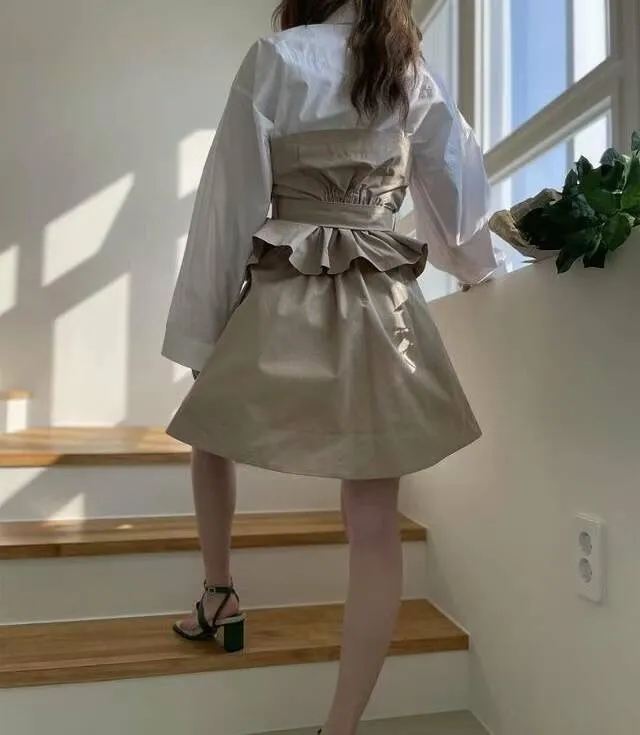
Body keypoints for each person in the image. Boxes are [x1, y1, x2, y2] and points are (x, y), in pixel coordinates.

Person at [162, 1, 497, 733]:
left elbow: (227, 203)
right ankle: (341, 725)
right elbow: (454, 186)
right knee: (374, 520)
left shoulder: (277, 58)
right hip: (382, 305)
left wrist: (201, 335)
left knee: (209, 433)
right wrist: (478, 268)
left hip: (285, 290)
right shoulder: (408, 70)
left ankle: (219, 593)